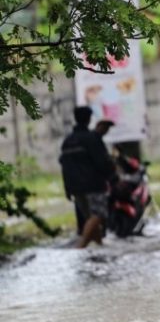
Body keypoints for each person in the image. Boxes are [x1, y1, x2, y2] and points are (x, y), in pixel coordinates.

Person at [59, 106, 116, 248]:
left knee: (90, 218)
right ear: (89, 119)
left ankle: (99, 245)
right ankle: (81, 245)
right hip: (93, 185)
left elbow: (64, 167)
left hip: (75, 187)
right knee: (99, 214)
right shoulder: (92, 139)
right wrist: (112, 177)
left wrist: (67, 188)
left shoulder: (67, 141)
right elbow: (102, 162)